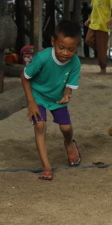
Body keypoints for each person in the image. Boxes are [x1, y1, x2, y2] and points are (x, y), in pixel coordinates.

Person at [22, 19, 83, 181]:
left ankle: (69, 144)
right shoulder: (42, 58)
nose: (65, 53)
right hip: (38, 96)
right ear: (53, 42)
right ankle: (46, 167)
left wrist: (67, 93)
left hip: (57, 98)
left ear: (77, 47)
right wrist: (31, 102)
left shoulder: (75, 62)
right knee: (40, 126)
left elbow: (70, 84)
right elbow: (25, 76)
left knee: (66, 128)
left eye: (71, 49)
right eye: (61, 48)